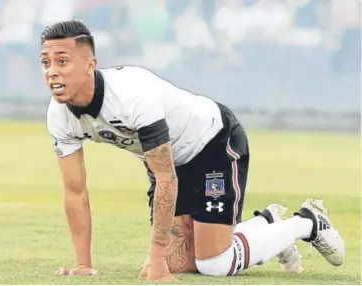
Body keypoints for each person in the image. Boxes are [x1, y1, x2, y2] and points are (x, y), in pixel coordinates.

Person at [42, 20, 345, 281]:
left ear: (90, 64)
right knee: (181, 264)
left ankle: (306, 222)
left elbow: (165, 179)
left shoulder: (131, 95)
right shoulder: (59, 116)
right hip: (170, 163)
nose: (52, 72)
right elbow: (75, 192)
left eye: (62, 61)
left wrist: (156, 259)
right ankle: (266, 226)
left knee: (213, 263)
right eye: (46, 62)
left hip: (212, 143)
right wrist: (83, 265)